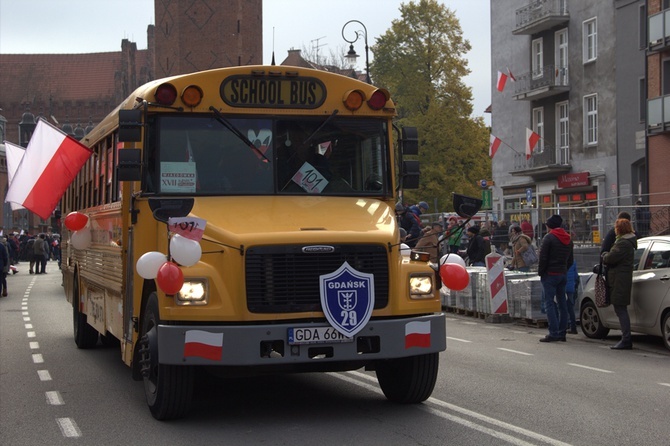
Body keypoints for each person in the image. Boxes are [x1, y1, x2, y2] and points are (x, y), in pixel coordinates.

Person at [537, 214, 574, 343]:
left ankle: (553, 333)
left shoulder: (549, 238)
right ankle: (562, 333)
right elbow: (570, 260)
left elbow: (543, 258)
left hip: (550, 274)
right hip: (562, 274)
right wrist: (564, 269)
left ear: (549, 226)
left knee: (549, 303)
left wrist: (541, 272)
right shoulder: (568, 239)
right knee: (562, 303)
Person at [602, 218, 637, 350]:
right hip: (620, 278)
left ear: (619, 229)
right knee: (620, 308)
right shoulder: (627, 241)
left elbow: (611, 258)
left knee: (620, 309)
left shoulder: (623, 243)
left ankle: (626, 339)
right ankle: (626, 338)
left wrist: (605, 255)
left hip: (619, 279)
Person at [565, 259, 579, 334]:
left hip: (563, 286)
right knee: (570, 308)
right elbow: (576, 276)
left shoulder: (560, 260)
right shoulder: (573, 261)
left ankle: (564, 326)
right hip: (571, 287)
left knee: (561, 307)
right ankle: (573, 326)